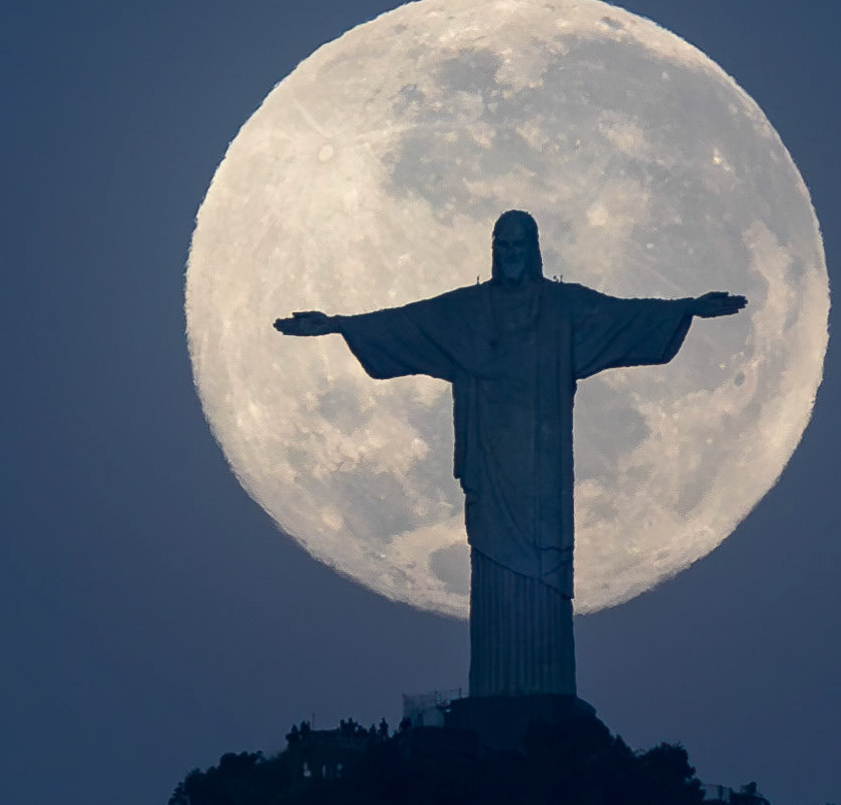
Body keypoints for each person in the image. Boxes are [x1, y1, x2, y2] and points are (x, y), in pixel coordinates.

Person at [275, 210, 744, 698]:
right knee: (493, 571)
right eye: (502, 246)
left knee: (545, 578)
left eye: (519, 246)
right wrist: (337, 325)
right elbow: (408, 324)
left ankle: (546, 701)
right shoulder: (467, 313)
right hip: (491, 469)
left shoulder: (563, 308)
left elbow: (623, 317)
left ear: (535, 250)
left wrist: (687, 309)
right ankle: (495, 697)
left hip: (544, 481)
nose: (511, 255)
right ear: (493, 250)